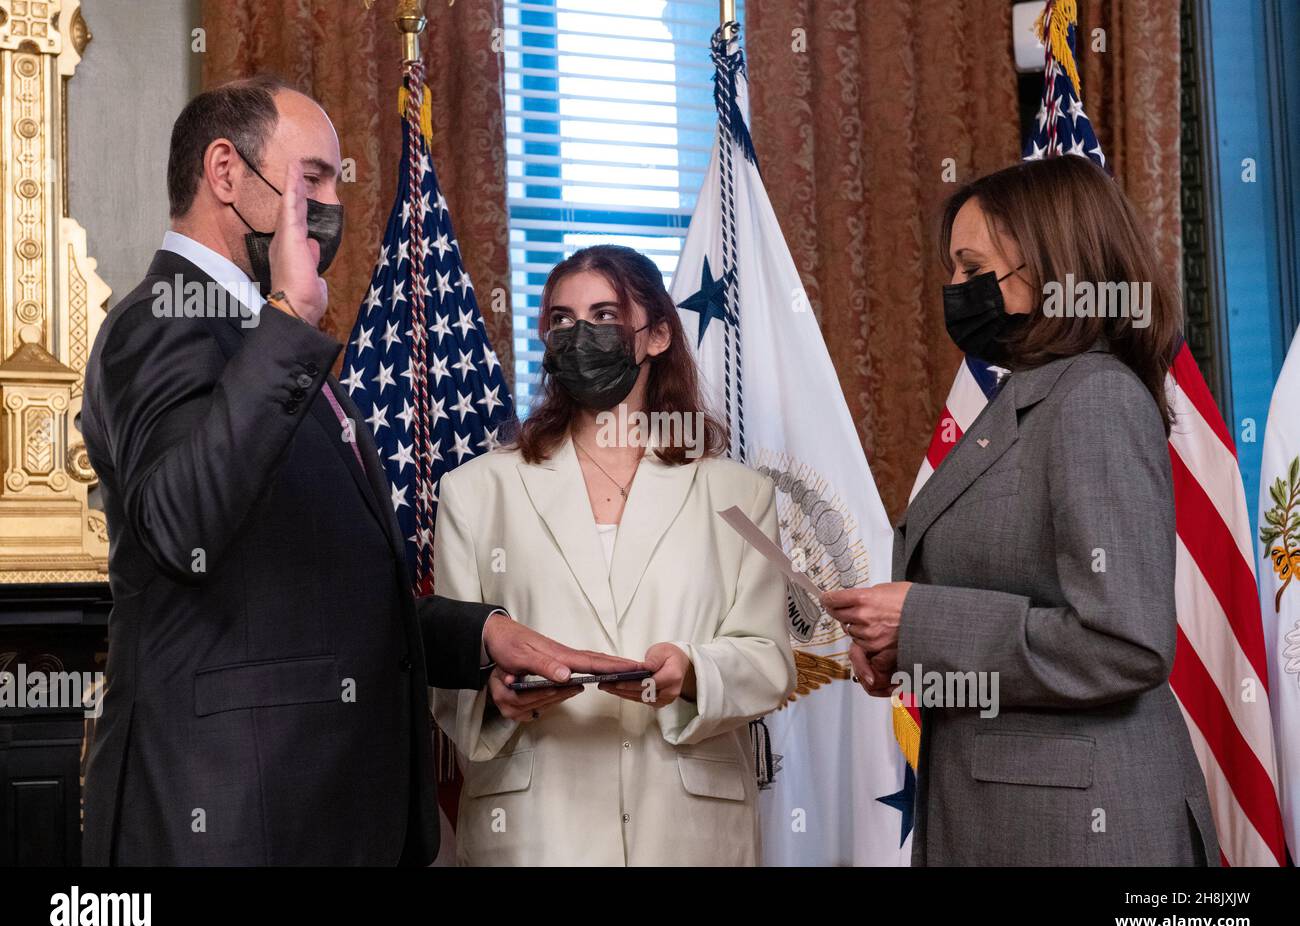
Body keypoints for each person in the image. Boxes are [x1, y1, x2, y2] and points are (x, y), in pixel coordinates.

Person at [79, 77, 628, 866]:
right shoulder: (161, 320)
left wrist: (484, 635)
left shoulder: (261, 329)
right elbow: (180, 522)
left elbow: (323, 587)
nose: (335, 202)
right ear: (225, 173)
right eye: (313, 179)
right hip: (232, 817)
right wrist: (290, 322)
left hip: (322, 813)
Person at [823, 155, 1219, 866]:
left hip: (1082, 829)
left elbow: (1125, 644)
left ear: (1053, 268)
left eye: (974, 272)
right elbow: (1009, 607)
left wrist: (920, 619)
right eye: (953, 273)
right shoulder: (1026, 398)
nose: (955, 291)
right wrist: (903, 649)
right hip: (1004, 815)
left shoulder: (1094, 397)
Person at [433, 245, 796, 865]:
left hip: (688, 832)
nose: (581, 335)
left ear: (655, 335)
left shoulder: (739, 495)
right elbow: (450, 661)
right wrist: (495, 694)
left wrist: (692, 672)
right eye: (562, 321)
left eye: (604, 316)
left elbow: (769, 660)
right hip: (538, 827)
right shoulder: (475, 491)